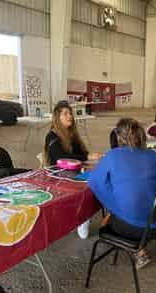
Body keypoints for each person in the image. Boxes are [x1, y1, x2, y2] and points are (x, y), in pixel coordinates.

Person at [88, 118, 156, 269]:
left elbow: (95, 182)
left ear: (119, 137)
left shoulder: (113, 155)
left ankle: (138, 251)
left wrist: (114, 205)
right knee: (131, 203)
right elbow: (151, 187)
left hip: (132, 228)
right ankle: (140, 250)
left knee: (108, 222)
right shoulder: (153, 156)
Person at [43, 100, 101, 239]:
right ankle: (82, 217)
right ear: (57, 118)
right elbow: (62, 158)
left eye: (71, 113)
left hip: (73, 171)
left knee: (98, 179)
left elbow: (80, 152)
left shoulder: (72, 134)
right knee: (87, 187)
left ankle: (84, 214)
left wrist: (90, 156)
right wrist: (87, 156)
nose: (70, 116)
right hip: (58, 176)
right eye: (66, 114)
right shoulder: (52, 136)